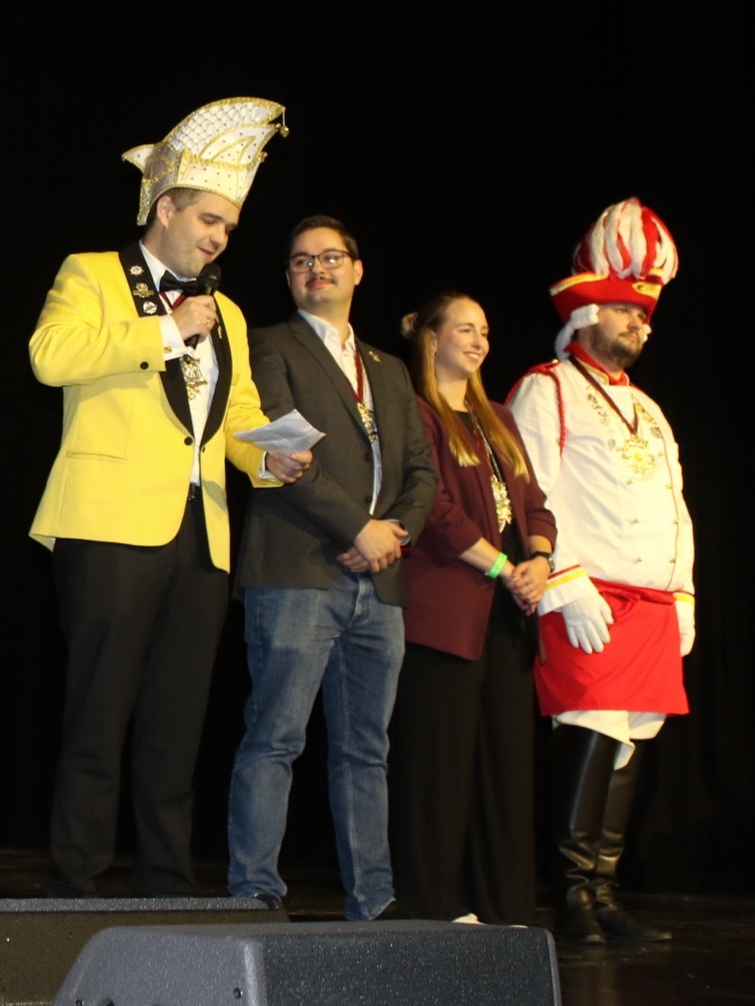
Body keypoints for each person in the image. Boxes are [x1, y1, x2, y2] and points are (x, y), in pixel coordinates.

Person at [31, 97, 305, 898]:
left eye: (229, 227)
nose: (219, 237)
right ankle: (77, 881)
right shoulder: (92, 272)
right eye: (209, 219)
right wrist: (167, 329)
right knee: (98, 712)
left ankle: (167, 882)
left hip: (201, 533)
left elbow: (238, 413)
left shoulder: (229, 313)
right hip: (109, 523)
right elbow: (50, 355)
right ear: (166, 208)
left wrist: (271, 457)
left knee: (177, 723)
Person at [226, 215, 436, 920]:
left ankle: (373, 899)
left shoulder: (390, 368)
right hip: (297, 569)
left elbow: (421, 470)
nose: (315, 269)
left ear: (357, 269)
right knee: (276, 737)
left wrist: (392, 535)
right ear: (288, 277)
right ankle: (256, 892)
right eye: (300, 261)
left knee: (365, 750)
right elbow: (283, 448)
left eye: (329, 257)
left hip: (379, 580)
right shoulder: (269, 345)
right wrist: (358, 528)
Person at [509, 198, 692, 944]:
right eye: (623, 310)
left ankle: (603, 891)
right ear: (585, 315)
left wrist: (684, 593)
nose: (638, 325)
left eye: (644, 315)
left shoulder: (650, 409)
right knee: (589, 730)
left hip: (650, 600)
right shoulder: (546, 387)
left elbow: (676, 504)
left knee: (629, 741)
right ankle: (571, 896)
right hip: (587, 594)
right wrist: (564, 581)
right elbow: (529, 490)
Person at [389, 293, 553, 926]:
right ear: (431, 338)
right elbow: (435, 512)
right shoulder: (418, 411)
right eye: (465, 329)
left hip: (507, 614)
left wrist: (539, 560)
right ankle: (434, 904)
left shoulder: (499, 418)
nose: (480, 341)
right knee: (440, 765)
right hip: (445, 613)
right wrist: (504, 568)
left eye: (484, 330)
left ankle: (504, 905)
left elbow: (534, 504)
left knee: (505, 767)